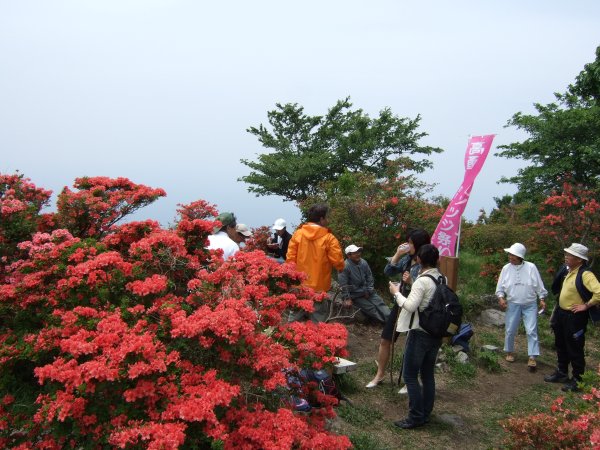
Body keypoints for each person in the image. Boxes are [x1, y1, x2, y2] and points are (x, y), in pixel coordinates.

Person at [366, 229, 431, 389]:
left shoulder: (427, 263)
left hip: (416, 307)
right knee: (385, 339)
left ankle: (410, 380)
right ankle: (380, 374)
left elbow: (429, 286)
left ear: (419, 245)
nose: (408, 245)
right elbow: (388, 271)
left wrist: (410, 282)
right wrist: (397, 254)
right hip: (400, 302)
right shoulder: (407, 259)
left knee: (412, 344)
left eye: (410, 243)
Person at [389, 244, 443, 429]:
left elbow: (411, 306)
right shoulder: (440, 277)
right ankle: (425, 412)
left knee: (410, 375)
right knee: (427, 374)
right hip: (435, 332)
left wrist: (396, 294)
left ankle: (415, 416)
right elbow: (428, 298)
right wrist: (413, 284)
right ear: (437, 260)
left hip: (419, 331)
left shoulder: (422, 280)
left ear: (419, 259)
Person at [544, 243, 600, 392]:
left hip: (575, 318)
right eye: (566, 254)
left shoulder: (586, 274)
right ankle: (562, 373)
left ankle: (578, 379)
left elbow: (599, 292)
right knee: (560, 344)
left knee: (574, 348)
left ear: (579, 260)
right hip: (561, 315)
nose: (566, 257)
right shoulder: (568, 270)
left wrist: (586, 305)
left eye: (570, 255)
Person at [286, 204, 345, 322]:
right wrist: (340, 267)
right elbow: (338, 262)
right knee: (317, 322)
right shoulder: (329, 238)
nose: (327, 220)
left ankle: (286, 339)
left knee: (293, 320)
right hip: (319, 287)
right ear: (321, 219)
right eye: (326, 217)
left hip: (299, 285)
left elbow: (290, 259)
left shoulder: (298, 234)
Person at [495, 243, 547, 369]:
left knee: (531, 330)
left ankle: (532, 356)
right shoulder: (506, 268)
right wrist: (501, 298)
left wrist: (542, 298)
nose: (510, 257)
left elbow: (539, 285)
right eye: (510, 254)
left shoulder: (531, 267)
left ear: (520, 257)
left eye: (513, 255)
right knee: (510, 329)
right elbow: (500, 287)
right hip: (513, 303)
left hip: (530, 304)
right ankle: (509, 351)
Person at [338, 244, 391, 324]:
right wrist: (347, 298)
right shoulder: (345, 266)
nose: (358, 254)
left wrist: (369, 290)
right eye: (355, 253)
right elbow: (343, 284)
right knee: (371, 308)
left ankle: (392, 321)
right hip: (355, 294)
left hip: (367, 291)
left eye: (358, 251)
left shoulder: (363, 262)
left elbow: (369, 276)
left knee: (380, 303)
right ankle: (386, 323)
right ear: (349, 255)